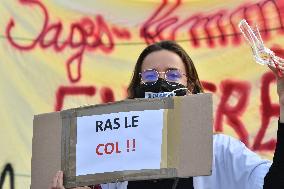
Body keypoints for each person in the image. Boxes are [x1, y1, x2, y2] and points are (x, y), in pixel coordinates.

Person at [50, 40, 284, 189]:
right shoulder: (116, 156)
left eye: (173, 75)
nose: (161, 81)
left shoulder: (220, 152)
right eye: (150, 76)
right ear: (137, 87)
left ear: (190, 87)